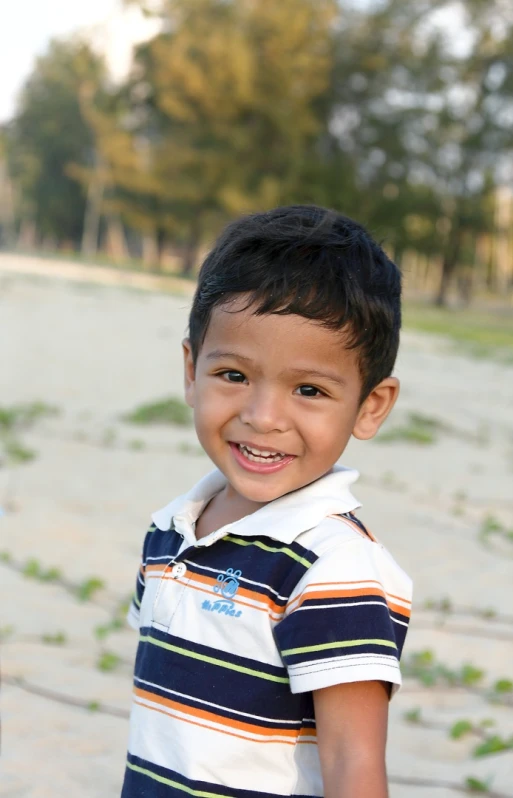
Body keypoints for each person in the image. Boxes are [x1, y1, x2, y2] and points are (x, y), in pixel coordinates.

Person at [121, 205, 412, 798]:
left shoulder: (332, 567)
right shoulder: (169, 530)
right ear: (191, 369)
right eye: (233, 375)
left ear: (371, 406)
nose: (263, 417)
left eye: (309, 390)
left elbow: (353, 761)